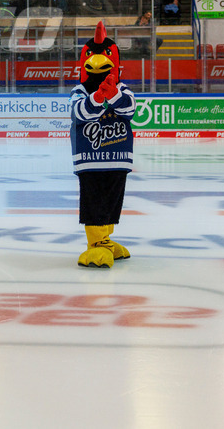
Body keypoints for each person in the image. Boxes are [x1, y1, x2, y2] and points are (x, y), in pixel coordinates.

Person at [70, 21, 135, 268]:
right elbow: (79, 113)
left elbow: (130, 109)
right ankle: (95, 244)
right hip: (90, 159)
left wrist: (113, 94)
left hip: (118, 157)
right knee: (94, 201)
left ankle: (105, 239)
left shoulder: (123, 89)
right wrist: (97, 97)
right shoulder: (79, 91)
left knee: (112, 201)